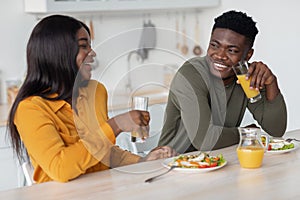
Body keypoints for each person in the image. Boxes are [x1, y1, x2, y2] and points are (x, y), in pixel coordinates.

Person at [7, 14, 176, 184]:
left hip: (103, 190)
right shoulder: (30, 109)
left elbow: (104, 152)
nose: (92, 53)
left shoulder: (95, 92)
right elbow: (60, 168)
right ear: (58, 53)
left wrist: (142, 162)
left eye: (90, 46)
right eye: (83, 46)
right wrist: (115, 125)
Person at [158, 10, 287, 153]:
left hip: (220, 162)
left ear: (248, 55)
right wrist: (246, 133)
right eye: (215, 45)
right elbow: (206, 140)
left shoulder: (246, 77)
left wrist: (271, 83)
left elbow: (276, 130)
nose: (219, 55)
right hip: (174, 164)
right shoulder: (190, 74)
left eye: (231, 50)